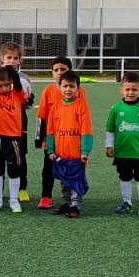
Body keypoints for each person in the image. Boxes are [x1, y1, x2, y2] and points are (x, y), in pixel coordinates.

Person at [0, 42, 33, 203]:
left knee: (20, 155)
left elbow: (29, 101)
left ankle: (22, 188)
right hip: (0, 122)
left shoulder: (24, 79)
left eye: (15, 58)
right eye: (8, 57)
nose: (12, 61)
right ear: (2, 59)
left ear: (20, 60)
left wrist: (24, 100)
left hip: (18, 122)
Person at [34, 55, 86, 209]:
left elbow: (82, 117)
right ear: (51, 73)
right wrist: (39, 138)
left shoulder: (79, 92)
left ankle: (73, 200)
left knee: (72, 168)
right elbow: (41, 116)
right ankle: (46, 196)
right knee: (48, 168)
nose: (59, 72)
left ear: (70, 71)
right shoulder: (48, 90)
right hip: (51, 138)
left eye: (63, 69)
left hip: (71, 139)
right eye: (56, 70)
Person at [104, 72, 139, 217]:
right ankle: (126, 203)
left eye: (134, 89)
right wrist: (108, 146)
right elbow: (110, 129)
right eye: (127, 89)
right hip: (122, 151)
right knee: (124, 176)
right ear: (121, 89)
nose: (130, 92)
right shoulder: (116, 108)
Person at [46, 71, 92, 218]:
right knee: (64, 181)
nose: (68, 89)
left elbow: (86, 130)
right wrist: (51, 149)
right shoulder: (55, 107)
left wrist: (85, 151)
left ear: (78, 88)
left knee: (76, 181)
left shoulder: (81, 106)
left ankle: (75, 206)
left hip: (76, 154)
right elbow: (50, 130)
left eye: (72, 86)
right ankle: (66, 203)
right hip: (60, 154)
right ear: (59, 87)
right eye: (65, 86)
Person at [0, 66, 25, 213]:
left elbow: (17, 81)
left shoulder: (17, 94)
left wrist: (9, 69)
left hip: (13, 139)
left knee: (14, 170)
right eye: (0, 85)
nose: (4, 88)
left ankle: (14, 200)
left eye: (7, 84)